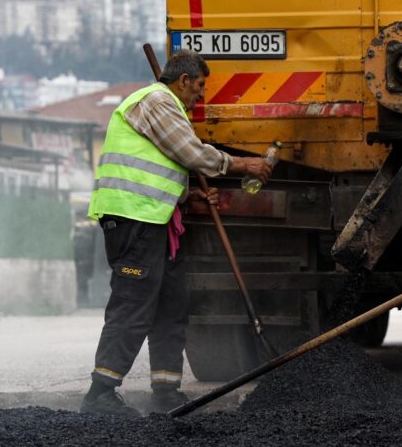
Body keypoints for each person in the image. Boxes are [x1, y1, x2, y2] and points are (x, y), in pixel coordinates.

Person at [80, 50, 272, 416]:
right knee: (134, 304)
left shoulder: (167, 108)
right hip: (133, 218)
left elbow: (160, 167)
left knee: (172, 304)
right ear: (183, 81)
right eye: (199, 87)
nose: (201, 95)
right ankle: (100, 393)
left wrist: (188, 195)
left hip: (156, 219)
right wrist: (243, 164)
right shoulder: (157, 101)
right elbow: (190, 153)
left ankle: (166, 391)